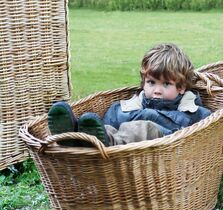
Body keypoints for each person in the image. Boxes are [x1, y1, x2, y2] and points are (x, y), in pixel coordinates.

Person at [48, 43, 211, 147]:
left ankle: (100, 142)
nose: (157, 90)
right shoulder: (130, 105)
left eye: (166, 84)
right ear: (144, 82)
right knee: (108, 126)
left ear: (181, 87)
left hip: (160, 144)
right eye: (151, 82)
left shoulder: (191, 110)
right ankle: (75, 136)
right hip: (116, 143)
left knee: (143, 127)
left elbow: (209, 125)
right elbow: (108, 123)